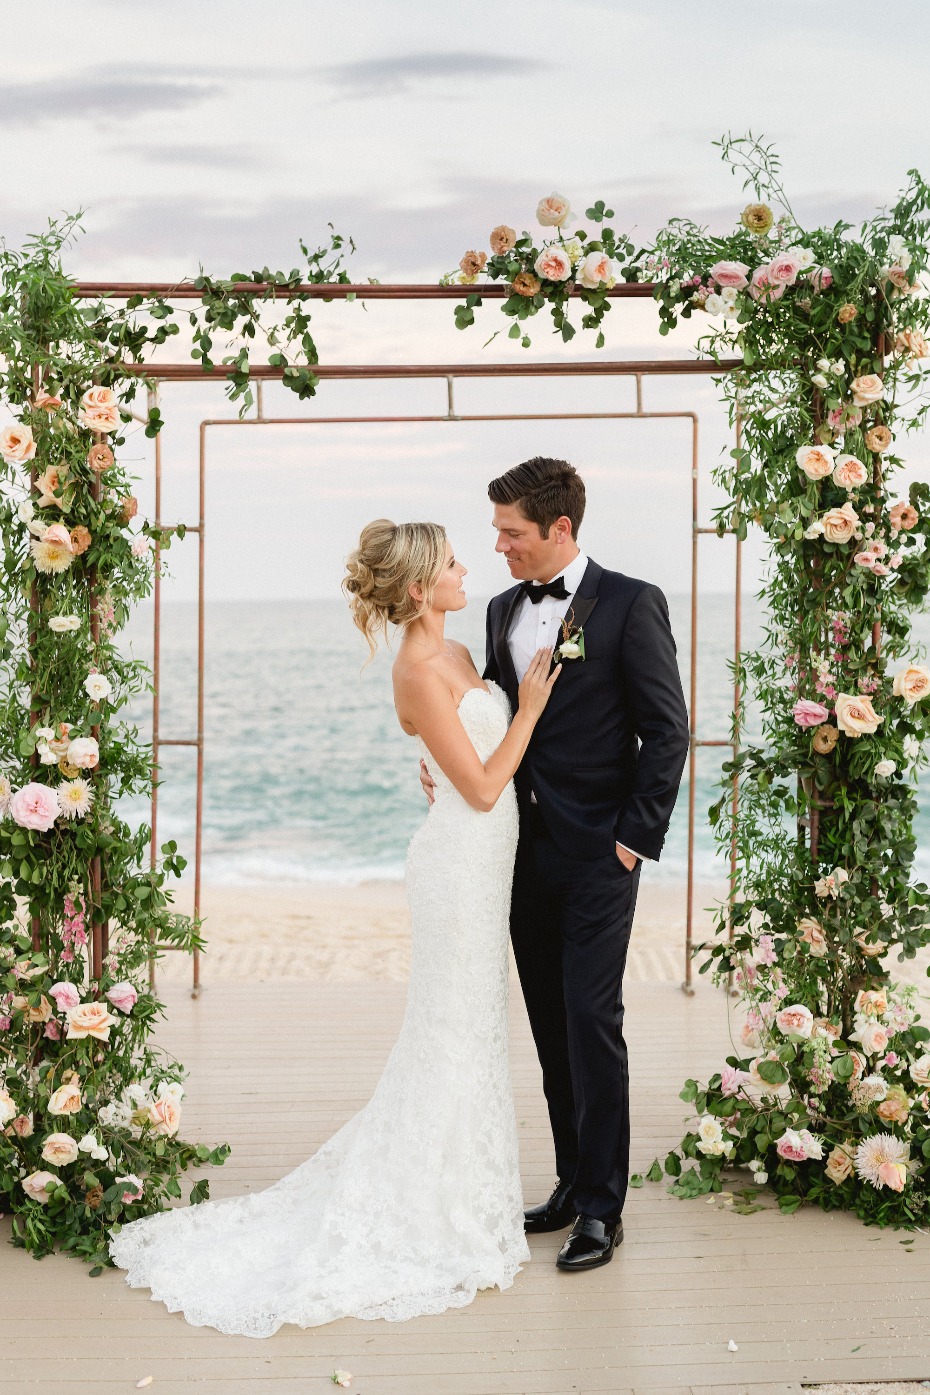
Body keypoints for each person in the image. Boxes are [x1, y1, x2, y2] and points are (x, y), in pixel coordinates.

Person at [107, 518, 559, 1336]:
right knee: (451, 1029)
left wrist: (458, 761)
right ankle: (430, 1207)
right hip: (460, 867)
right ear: (420, 588)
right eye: (453, 562)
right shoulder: (419, 668)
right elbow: (487, 788)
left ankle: (462, 1189)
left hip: (484, 861)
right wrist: (526, 709)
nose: (466, 570)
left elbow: (454, 764)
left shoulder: (457, 653)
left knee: (474, 1028)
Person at [421, 456, 689, 1271]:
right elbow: (501, 721)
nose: (498, 546)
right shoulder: (503, 607)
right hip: (515, 854)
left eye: (511, 533)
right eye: (496, 532)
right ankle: (572, 1181)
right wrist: (444, 761)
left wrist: (632, 840)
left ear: (560, 528)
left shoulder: (632, 604)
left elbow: (668, 731)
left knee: (590, 1021)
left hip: (601, 857)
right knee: (547, 1024)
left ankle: (604, 1210)